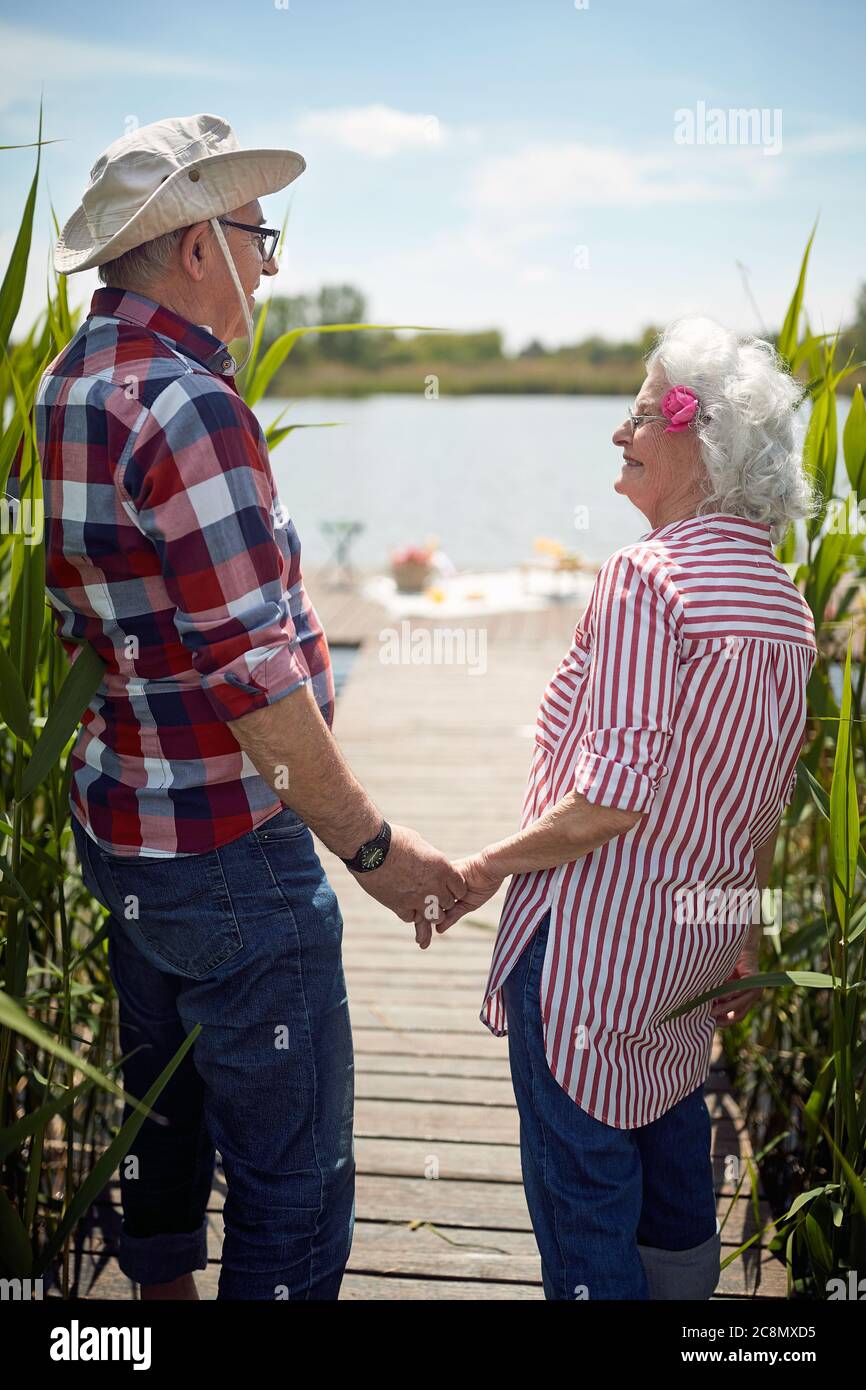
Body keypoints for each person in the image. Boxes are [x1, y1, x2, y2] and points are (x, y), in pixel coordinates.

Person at [34, 114, 464, 1301]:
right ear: (191, 248)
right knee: (294, 1176)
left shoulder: (70, 386)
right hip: (229, 848)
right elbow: (250, 678)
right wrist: (373, 849)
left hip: (122, 826)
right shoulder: (188, 406)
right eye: (255, 237)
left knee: (162, 1117)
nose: (268, 266)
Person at [437, 318, 818, 1299]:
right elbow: (762, 799)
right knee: (668, 1164)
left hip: (592, 960)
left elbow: (609, 798)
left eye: (643, 412)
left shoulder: (645, 578)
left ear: (701, 440)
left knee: (584, 1208)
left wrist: (483, 868)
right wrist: (746, 933)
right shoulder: (782, 602)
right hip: (685, 958)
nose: (620, 431)